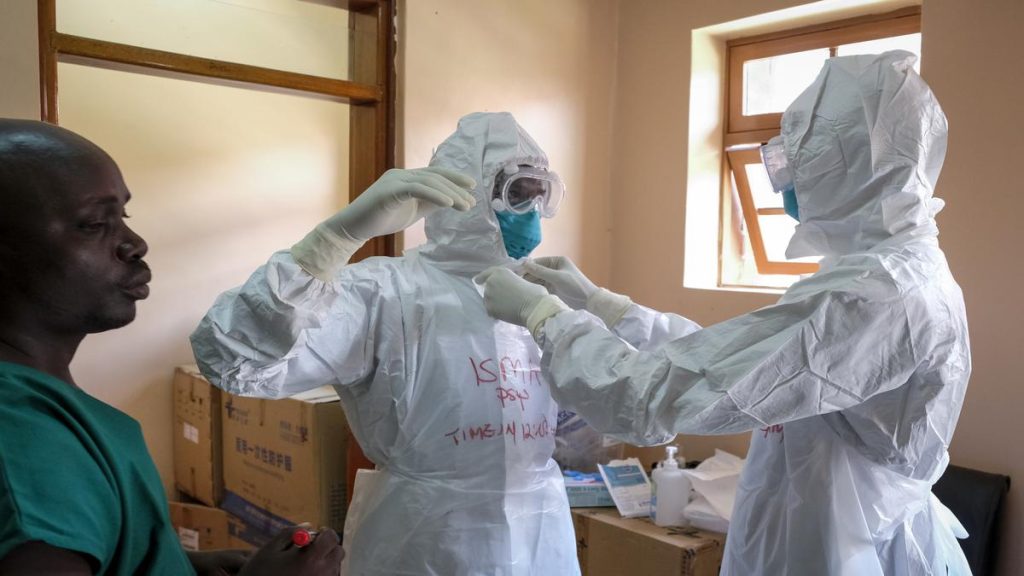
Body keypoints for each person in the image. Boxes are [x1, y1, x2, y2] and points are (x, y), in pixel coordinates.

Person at [480, 51, 972, 575]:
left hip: (851, 551)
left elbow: (652, 397)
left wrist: (546, 318)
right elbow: (733, 359)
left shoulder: (878, 294)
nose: (785, 181)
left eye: (800, 160)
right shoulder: (873, 275)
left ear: (849, 168)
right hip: (825, 530)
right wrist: (607, 307)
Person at [190, 112, 581, 575]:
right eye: (517, 193)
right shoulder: (382, 293)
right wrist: (334, 239)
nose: (531, 212)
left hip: (543, 538)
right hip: (422, 543)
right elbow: (231, 356)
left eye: (540, 195)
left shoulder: (540, 295)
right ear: (470, 195)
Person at [0, 119, 343, 576]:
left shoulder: (41, 398)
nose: (134, 244)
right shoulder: (27, 449)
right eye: (94, 224)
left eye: (124, 216)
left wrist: (174, 564)